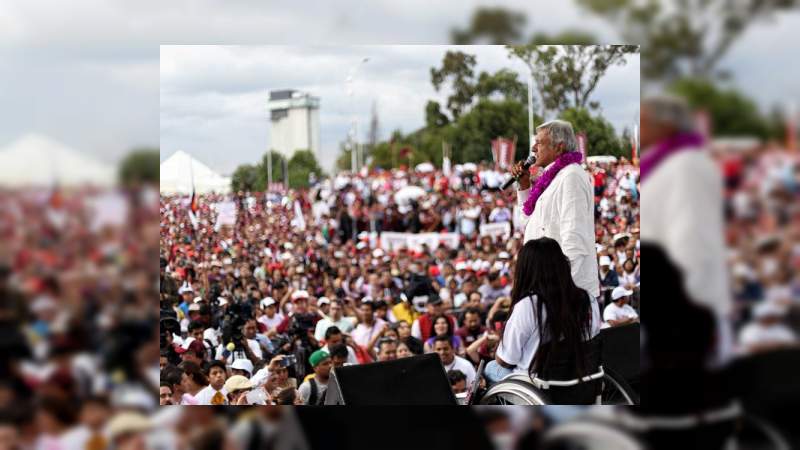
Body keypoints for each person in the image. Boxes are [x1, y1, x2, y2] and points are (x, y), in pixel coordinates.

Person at [639, 95, 731, 363]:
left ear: (665, 125)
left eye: (644, 121)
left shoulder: (686, 165)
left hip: (684, 312)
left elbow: (691, 243)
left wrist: (684, 316)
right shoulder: (665, 162)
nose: (640, 128)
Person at [484, 238, 601, 387]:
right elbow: (593, 340)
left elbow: (506, 360)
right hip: (582, 378)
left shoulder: (528, 306)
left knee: (490, 368)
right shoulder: (588, 298)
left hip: (539, 385)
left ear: (526, 270)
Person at [511, 120, 600, 299]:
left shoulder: (571, 176)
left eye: (539, 142)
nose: (533, 148)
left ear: (559, 148)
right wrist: (524, 186)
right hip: (547, 288)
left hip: (567, 294)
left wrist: (560, 292)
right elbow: (527, 222)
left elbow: (574, 240)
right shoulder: (551, 178)